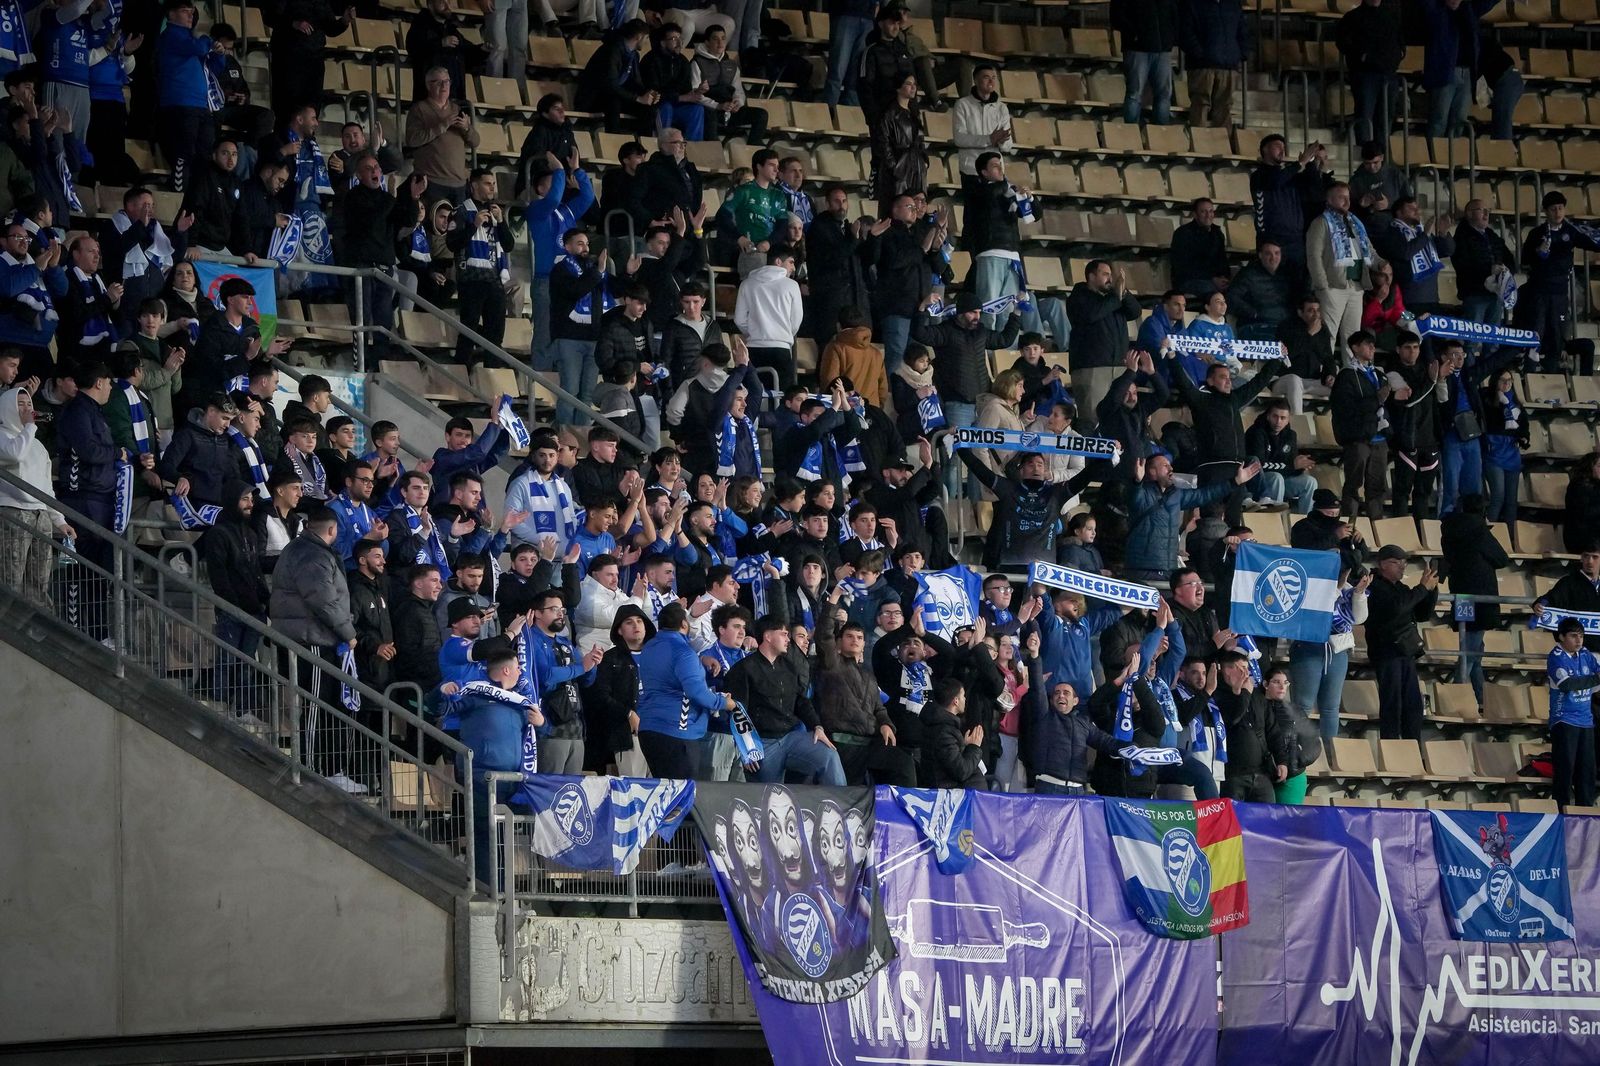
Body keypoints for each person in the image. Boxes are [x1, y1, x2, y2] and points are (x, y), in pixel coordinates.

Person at [270, 507, 365, 791]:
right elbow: (322, 599)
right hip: (309, 641)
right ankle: (310, 768)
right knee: (315, 705)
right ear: (332, 530)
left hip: (321, 639)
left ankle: (332, 769)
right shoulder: (311, 555)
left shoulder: (310, 551)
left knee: (331, 706)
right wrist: (348, 632)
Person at [636, 601, 737, 777]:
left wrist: (701, 660)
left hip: (648, 729)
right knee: (684, 791)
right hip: (678, 730)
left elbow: (668, 674)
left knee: (664, 790)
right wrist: (724, 703)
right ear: (684, 624)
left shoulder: (648, 648)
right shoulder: (683, 652)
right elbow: (696, 693)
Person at [1124, 453, 1258, 584]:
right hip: (1142, 569)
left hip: (1168, 570)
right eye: (1165, 465)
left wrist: (1235, 481)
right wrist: (1137, 482)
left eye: (1170, 465)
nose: (1171, 468)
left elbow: (1205, 495)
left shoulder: (1176, 495)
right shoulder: (1141, 493)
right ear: (1152, 472)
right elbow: (1133, 496)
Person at [196, 480, 269, 714]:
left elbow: (256, 572)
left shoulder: (250, 533)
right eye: (244, 499)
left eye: (251, 499)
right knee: (226, 661)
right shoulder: (218, 534)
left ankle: (242, 711)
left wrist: (265, 602)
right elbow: (219, 576)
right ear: (231, 501)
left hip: (254, 611)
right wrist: (233, 606)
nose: (250, 504)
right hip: (232, 611)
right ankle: (220, 707)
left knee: (247, 665)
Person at [0, 385, 74, 607]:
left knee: (38, 583)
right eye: (20, 405)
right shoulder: (4, 436)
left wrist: (59, 520)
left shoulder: (38, 445)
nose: (26, 410)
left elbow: (46, 487)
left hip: (40, 515)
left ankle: (32, 626)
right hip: (13, 512)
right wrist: (29, 426)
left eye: (29, 405)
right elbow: (14, 454)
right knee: (10, 579)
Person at [1440, 493, 1508, 708]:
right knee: (1471, 650)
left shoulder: (1449, 529)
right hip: (1481, 596)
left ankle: (1481, 699)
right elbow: (1502, 559)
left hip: (1462, 595)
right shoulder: (1479, 531)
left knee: (1473, 648)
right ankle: (1457, 699)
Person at [1518, 191, 1600, 366]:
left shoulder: (1571, 231)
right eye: (1553, 209)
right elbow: (1524, 260)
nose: (1558, 213)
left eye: (1561, 208)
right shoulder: (1536, 233)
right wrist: (1538, 252)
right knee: (1536, 332)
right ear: (1545, 211)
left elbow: (1592, 243)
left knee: (1558, 334)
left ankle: (1552, 371)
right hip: (1539, 291)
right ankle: (1530, 370)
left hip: (1560, 292)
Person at [1291, 566, 1370, 747]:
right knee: (1303, 705)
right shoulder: (1312, 584)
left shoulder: (1349, 589)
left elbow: (1359, 618)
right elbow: (1318, 611)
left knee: (1331, 707)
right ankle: (1297, 750)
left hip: (1338, 649)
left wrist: (1359, 593)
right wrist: (1336, 588)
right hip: (1309, 647)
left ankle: (1330, 752)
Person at [1366, 544, 1439, 739]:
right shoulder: (1374, 586)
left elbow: (1422, 614)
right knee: (1392, 703)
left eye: (1404, 563)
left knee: (1412, 704)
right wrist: (1421, 588)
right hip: (1386, 651)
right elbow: (1396, 608)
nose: (1401, 566)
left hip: (1405, 651)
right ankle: (1391, 746)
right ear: (1382, 564)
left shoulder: (1401, 588)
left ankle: (1412, 745)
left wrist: (1431, 590)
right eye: (1395, 562)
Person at [447, 169, 514, 369]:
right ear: (474, 185)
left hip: (495, 281)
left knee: (496, 335)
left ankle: (491, 375)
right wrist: (473, 225)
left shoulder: (495, 212)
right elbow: (453, 244)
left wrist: (501, 222)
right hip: (471, 280)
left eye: (493, 183)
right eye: (487, 183)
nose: (492, 187)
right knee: (469, 331)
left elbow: (508, 245)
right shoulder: (461, 211)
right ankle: (461, 374)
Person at [1306, 182, 1376, 356]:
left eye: (1348, 197)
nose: (1347, 201)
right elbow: (1314, 256)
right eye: (1341, 197)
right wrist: (1323, 285)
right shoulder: (1321, 223)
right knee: (1328, 333)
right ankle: (1325, 370)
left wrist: (1381, 263)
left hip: (1356, 286)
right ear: (1329, 200)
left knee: (1353, 337)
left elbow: (1369, 250)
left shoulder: (1355, 223)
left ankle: (1351, 371)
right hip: (1333, 286)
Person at [156, 0, 215, 194]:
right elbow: (200, 48)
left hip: (201, 105)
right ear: (171, 14)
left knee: (204, 154)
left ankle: (196, 197)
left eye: (192, 11)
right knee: (184, 153)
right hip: (180, 104)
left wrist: (219, 54)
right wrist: (207, 39)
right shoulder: (171, 36)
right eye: (184, 11)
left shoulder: (190, 40)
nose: (191, 15)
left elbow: (214, 65)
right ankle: (179, 193)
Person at [1331, 330, 1390, 519]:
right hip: (1358, 438)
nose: (1372, 347)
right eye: (1367, 344)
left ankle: (1376, 526)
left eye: (1373, 344)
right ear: (1355, 348)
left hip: (1379, 438)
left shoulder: (1379, 375)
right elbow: (1346, 408)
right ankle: (1349, 526)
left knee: (1377, 487)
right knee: (1353, 485)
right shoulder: (1347, 376)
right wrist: (1376, 399)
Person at [1384, 330, 1442, 519]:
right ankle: (1401, 531)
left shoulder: (1426, 370)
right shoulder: (1392, 373)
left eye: (1416, 347)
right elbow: (1410, 400)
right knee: (1402, 490)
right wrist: (1431, 381)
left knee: (1424, 492)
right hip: (1407, 440)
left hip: (1430, 439)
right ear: (1398, 350)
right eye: (1408, 348)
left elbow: (1441, 399)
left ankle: (1421, 531)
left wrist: (1439, 380)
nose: (1412, 352)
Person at [1211, 649, 1283, 801]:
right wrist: (1242, 694)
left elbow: (1272, 731)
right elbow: (1231, 719)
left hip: (1261, 773)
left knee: (1267, 814)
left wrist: (1282, 760)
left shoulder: (1257, 696)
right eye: (1242, 668)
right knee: (1233, 815)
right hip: (1232, 775)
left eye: (1247, 668)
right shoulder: (1215, 693)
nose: (1247, 673)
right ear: (1227, 670)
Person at [1420, 0, 1498, 138]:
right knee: (1439, 120)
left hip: (1467, 71)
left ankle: (1453, 151)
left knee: (1459, 121)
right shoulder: (1437, 10)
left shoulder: (1469, 8)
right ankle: (1433, 151)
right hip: (1443, 72)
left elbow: (1486, 3)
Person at [403, 66, 478, 206]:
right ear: (428, 85)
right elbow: (412, 140)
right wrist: (442, 126)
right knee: (432, 218)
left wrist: (467, 128)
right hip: (432, 181)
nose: (444, 86)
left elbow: (475, 142)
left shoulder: (457, 109)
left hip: (458, 183)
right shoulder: (419, 109)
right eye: (438, 82)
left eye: (447, 81)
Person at [1250, 134, 1325, 272]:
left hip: (1296, 239)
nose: (1282, 150)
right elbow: (1275, 181)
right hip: (1271, 239)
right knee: (1272, 280)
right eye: (1277, 146)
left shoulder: (1290, 175)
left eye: (1284, 147)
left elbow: (1315, 191)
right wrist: (1300, 163)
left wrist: (1311, 162)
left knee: (1298, 280)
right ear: (1265, 150)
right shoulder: (1258, 176)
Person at [733, 245, 804, 390]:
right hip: (781, 348)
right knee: (782, 396)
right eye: (791, 262)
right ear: (778, 261)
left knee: (753, 396)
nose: (793, 268)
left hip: (754, 348)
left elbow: (739, 319)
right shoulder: (792, 285)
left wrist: (754, 331)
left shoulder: (747, 284)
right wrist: (784, 333)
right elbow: (796, 319)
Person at [1547, 617, 1599, 810]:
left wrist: (1594, 679)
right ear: (1561, 637)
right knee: (1565, 771)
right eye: (1573, 636)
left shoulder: (1585, 654)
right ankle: (1561, 813)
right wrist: (1595, 679)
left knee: (1587, 772)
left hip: (1586, 721)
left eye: (1581, 636)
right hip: (1564, 720)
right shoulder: (1556, 656)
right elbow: (1567, 684)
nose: (1579, 640)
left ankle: (1585, 815)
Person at [1336, 0, 1405, 145]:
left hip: (1388, 74)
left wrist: (1399, 54)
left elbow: (1399, 40)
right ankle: (1365, 151)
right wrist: (1361, 56)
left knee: (1386, 117)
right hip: (1365, 74)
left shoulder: (1390, 16)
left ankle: (1381, 152)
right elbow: (1343, 42)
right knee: (1365, 115)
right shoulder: (1353, 17)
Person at [1372, 197, 1455, 315]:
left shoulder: (1420, 233)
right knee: (1411, 327)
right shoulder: (1392, 233)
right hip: (1406, 299)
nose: (1417, 211)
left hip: (1431, 297)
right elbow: (1405, 253)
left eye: (1417, 208)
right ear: (1399, 212)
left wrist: (1443, 233)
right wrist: (1425, 235)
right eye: (1411, 208)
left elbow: (1447, 251)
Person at [575, 20, 658, 136]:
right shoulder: (611, 50)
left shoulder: (634, 55)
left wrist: (648, 94)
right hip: (594, 98)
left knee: (648, 107)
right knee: (614, 100)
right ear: (639, 37)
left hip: (617, 95)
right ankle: (614, 139)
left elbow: (636, 82)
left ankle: (643, 141)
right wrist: (638, 98)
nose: (646, 42)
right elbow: (610, 85)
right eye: (646, 38)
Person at [1178, 0, 1248, 128]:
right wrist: (1200, 54)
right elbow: (1185, 32)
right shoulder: (1193, 4)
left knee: (1224, 107)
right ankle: (1199, 139)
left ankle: (1222, 140)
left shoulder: (1233, 4)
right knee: (1200, 105)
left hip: (1228, 65)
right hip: (1202, 67)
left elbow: (1242, 30)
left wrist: (1240, 53)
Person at [1244, 399, 1318, 513]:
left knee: (1310, 482)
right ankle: (1274, 519)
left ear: (1288, 420)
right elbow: (1259, 466)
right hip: (1259, 481)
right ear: (1268, 416)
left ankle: (1306, 521)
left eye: (1283, 418)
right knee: (1276, 477)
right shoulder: (1256, 432)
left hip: (1283, 479)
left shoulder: (1291, 435)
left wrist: (1300, 466)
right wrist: (1291, 466)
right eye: (1275, 416)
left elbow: (1291, 466)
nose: (1278, 421)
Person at [1452, 199, 1517, 327]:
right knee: (1474, 335)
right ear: (1469, 214)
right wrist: (1489, 271)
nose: (1486, 214)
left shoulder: (1492, 235)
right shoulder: (1461, 237)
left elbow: (1508, 258)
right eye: (1482, 210)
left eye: (1488, 211)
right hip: (1474, 294)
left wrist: (1506, 272)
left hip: (1495, 293)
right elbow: (1462, 265)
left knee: (1494, 335)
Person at [1112, 0, 1177, 126]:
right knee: (1135, 93)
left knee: (1164, 94)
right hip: (1137, 48)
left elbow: (1174, 12)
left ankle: (1160, 132)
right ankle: (1132, 132)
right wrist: (1135, 34)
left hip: (1162, 49)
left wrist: (1171, 38)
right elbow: (1117, 16)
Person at [870, 73, 927, 218]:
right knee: (897, 207)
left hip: (916, 165)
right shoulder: (889, 113)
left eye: (914, 84)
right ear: (898, 87)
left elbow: (920, 140)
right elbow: (883, 142)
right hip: (900, 165)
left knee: (916, 206)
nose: (913, 87)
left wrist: (924, 160)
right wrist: (894, 165)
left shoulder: (914, 114)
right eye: (908, 84)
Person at [952, 64, 1013, 192]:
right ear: (975, 80)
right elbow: (959, 138)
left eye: (993, 78)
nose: (991, 81)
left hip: (996, 172)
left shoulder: (1002, 108)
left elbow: (1008, 146)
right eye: (986, 77)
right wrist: (989, 139)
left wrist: (1002, 141)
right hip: (970, 170)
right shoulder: (962, 104)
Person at [1480, 366, 1527, 527]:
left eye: (1509, 380)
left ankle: (1511, 536)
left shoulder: (1516, 403)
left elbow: (1524, 426)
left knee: (1511, 500)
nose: (1506, 384)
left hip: (1511, 452)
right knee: (1498, 496)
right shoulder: (1487, 400)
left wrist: (1524, 437)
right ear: (1495, 381)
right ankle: (1488, 533)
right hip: (1494, 451)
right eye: (1503, 380)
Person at [919, 677, 986, 789]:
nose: (965, 699)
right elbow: (961, 771)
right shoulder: (943, 732)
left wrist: (965, 746)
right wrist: (974, 748)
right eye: (963, 696)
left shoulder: (945, 726)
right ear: (956, 701)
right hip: (950, 795)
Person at [1228, 242, 1291, 342]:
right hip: (1255, 326)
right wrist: (1253, 313)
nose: (1273, 258)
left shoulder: (1286, 275)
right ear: (1260, 255)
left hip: (1282, 327)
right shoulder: (1248, 274)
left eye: (1277, 253)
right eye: (1268, 253)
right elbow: (1231, 297)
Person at [1171, 198, 1230, 300]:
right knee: (1214, 294)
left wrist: (1223, 278)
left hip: (1213, 280)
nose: (1208, 215)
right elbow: (1184, 267)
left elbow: (1222, 260)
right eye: (1203, 212)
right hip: (1189, 280)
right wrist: (1212, 279)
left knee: (1237, 291)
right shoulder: (1183, 234)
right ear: (1195, 214)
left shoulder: (1217, 233)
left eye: (1211, 211)